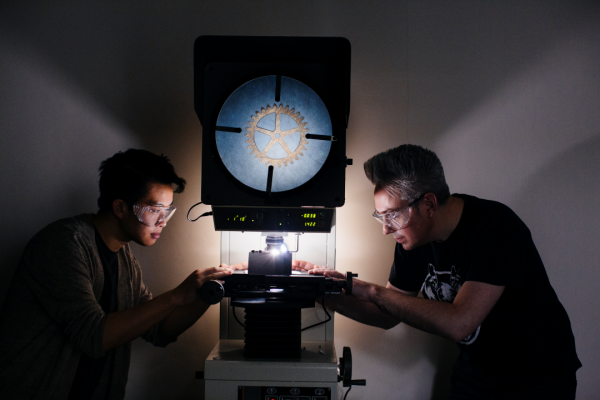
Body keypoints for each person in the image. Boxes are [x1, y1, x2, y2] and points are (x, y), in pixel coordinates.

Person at [294, 144, 581, 399]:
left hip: (538, 377)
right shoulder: (412, 238)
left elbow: (460, 323)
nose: (385, 228)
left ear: (429, 204)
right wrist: (324, 293)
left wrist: (367, 289)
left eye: (392, 215)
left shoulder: (497, 229)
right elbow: (385, 315)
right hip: (476, 372)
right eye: (381, 217)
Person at [0, 149, 233, 400]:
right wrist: (176, 296)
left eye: (167, 211)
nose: (163, 221)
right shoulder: (63, 244)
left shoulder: (125, 260)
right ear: (120, 208)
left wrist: (208, 290)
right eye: (155, 209)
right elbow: (94, 336)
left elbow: (160, 329)